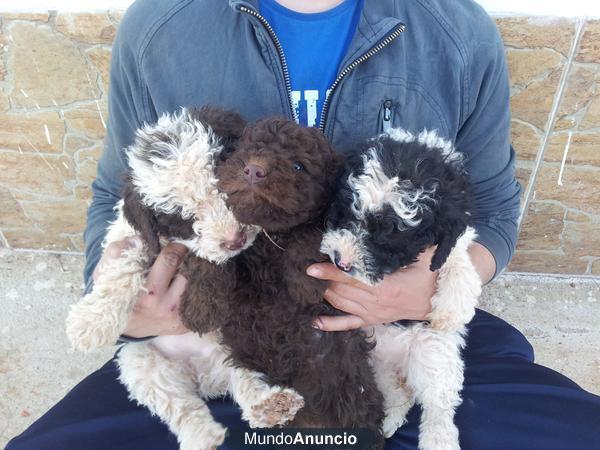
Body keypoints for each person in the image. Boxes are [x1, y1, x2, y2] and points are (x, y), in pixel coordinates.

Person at [8, 0, 600, 448]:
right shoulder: (161, 26)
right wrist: (126, 295)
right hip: (218, 333)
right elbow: (117, 192)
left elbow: (493, 205)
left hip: (389, 332)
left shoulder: (456, 32)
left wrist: (438, 284)